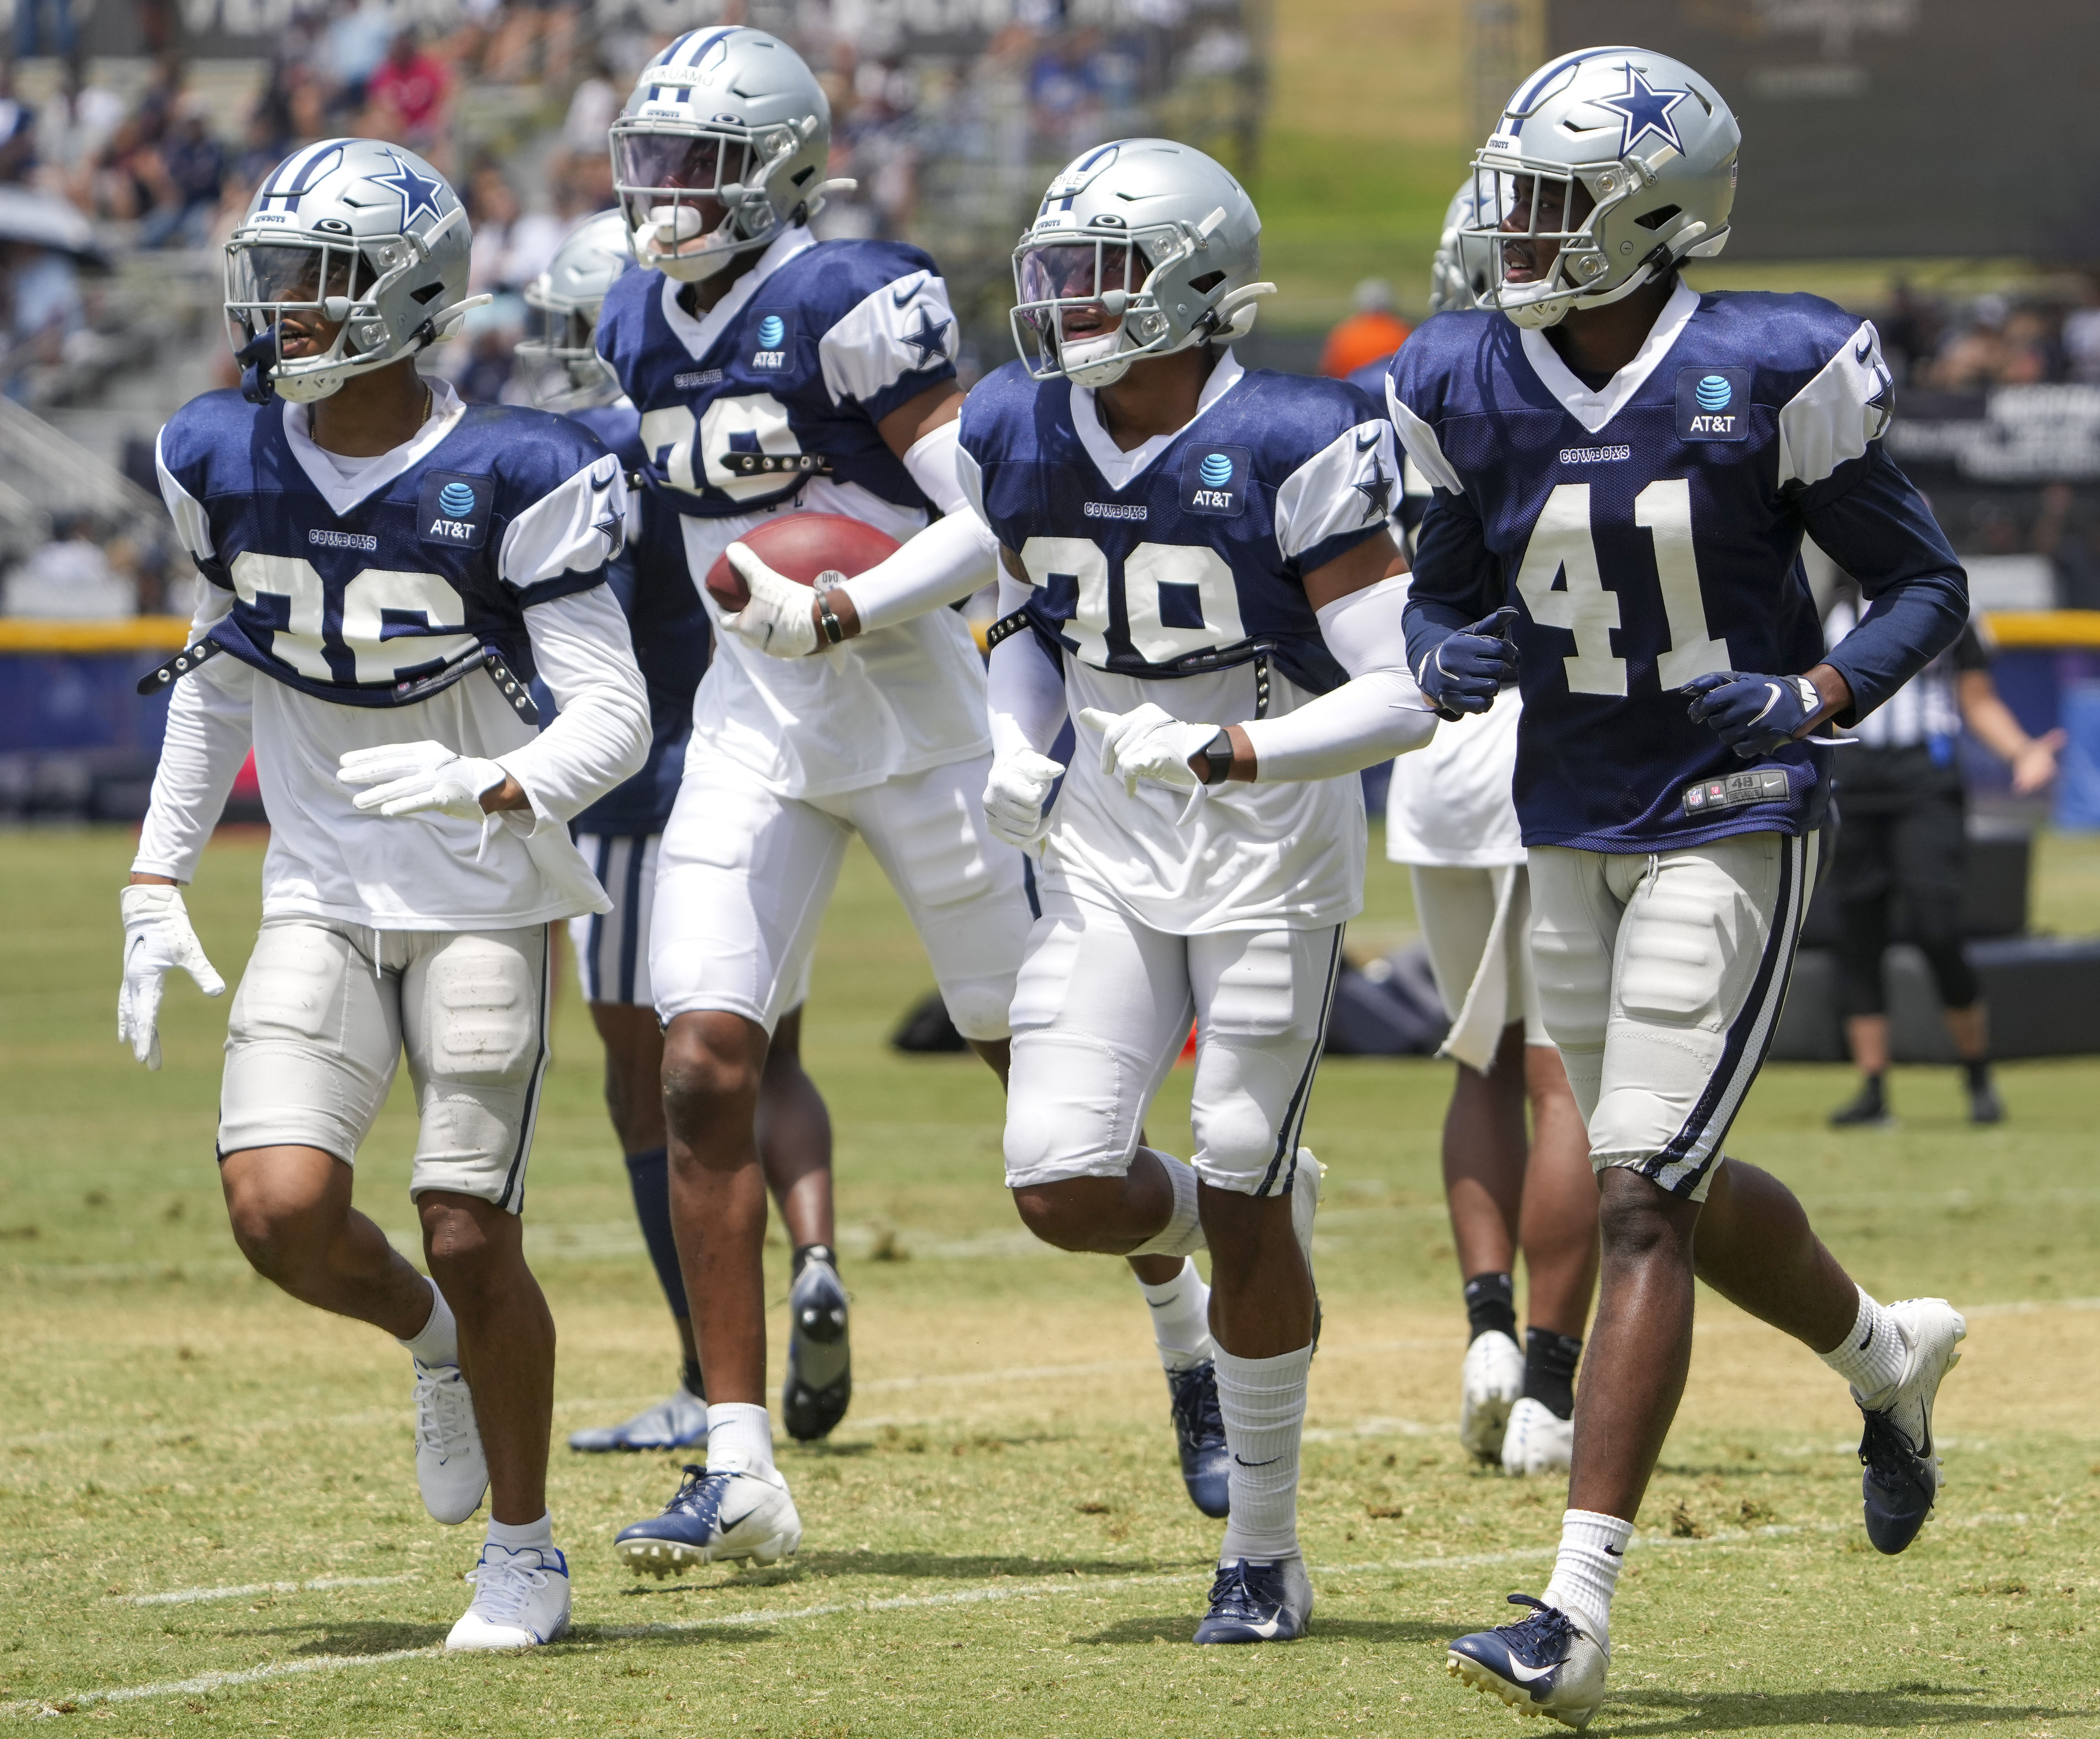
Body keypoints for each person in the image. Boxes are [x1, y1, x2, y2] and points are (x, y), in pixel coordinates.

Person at [1392, 49, 1973, 1726]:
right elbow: (1435, 611)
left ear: (1650, 215)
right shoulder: (1461, 378)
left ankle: (1569, 1615)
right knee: (1679, 1190)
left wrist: (1812, 695)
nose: (1516, 225)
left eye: (1552, 197)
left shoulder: (1766, 362)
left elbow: (1916, 583)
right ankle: (1883, 1353)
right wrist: (1449, 650)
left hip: (1731, 810)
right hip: (1566, 820)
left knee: (1638, 1190)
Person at [118, 138, 648, 1651]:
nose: (281, 304)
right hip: (323, 886)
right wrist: (159, 869)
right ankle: (429, 1345)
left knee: (475, 1225)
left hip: (481, 888)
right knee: (281, 1213)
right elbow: (222, 676)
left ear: (408, 296)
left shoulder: (519, 473)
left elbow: (611, 717)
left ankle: (527, 1550)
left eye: (317, 277)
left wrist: (498, 784)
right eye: (275, 273)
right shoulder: (220, 451)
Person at [965, 137, 1432, 1645]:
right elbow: (1031, 611)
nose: (1071, 304)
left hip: (1268, 852)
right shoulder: (1020, 427)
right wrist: (1010, 738)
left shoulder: (1301, 437)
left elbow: (1403, 692)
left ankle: (1266, 1544)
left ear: (1197, 285)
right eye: (1062, 273)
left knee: (1235, 1159)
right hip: (1105, 840)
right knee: (1057, 1181)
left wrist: (1238, 746)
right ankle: (1255, 1210)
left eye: (1104, 274)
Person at [593, 28, 1026, 1576]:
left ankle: (1187, 1311)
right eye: (653, 159)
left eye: (700, 163)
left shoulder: (855, 299)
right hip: (751, 725)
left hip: (918, 720)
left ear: (781, 169)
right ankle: (737, 1458)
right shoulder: (631, 311)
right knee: (703, 1066)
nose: (667, 193)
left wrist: (847, 605)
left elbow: (992, 519)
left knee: (1047, 1105)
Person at [514, 210, 847, 1453]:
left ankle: (709, 1375)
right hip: (767, 773)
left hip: (638, 794)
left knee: (655, 1098)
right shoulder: (744, 435)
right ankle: (814, 1257)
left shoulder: (582, 453)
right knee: (774, 1062)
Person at [1385, 185, 1596, 1479]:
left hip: (1434, 756)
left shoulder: (1409, 390)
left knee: (1481, 1058)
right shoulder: (1570, 391)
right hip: (1555, 740)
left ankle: (1484, 1333)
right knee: (1565, 1070)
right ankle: (1553, 1381)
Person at [1823, 598, 2063, 1128]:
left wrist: (2022, 751)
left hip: (1924, 784)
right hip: (1852, 780)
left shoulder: (1944, 607)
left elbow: (1977, 700)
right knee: (1858, 933)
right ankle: (1873, 1089)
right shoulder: (1826, 609)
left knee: (1938, 926)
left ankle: (1976, 1073)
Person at [1320, 277, 1410, 380]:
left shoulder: (1344, 334)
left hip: (1351, 392)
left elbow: (1329, 372)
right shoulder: (1403, 332)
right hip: (1390, 392)